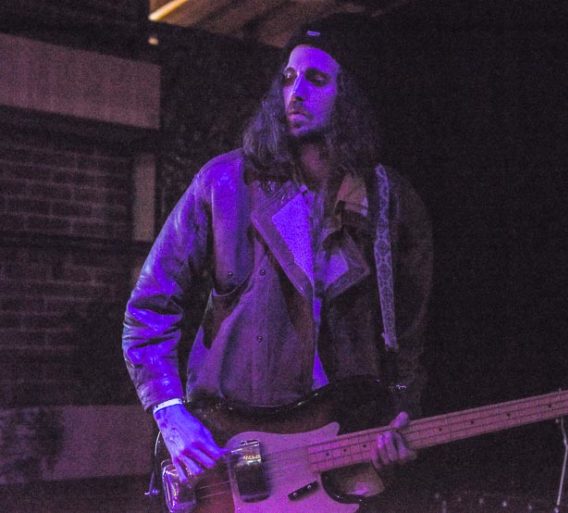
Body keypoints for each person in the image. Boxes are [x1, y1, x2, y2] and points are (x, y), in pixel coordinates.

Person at [122, 14, 433, 491]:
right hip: (234, 443)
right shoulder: (225, 183)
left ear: (350, 95)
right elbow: (147, 310)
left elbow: (408, 338)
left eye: (316, 79)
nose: (296, 92)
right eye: (288, 77)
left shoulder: (390, 202)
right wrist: (170, 414)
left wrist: (401, 415)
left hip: (333, 461)